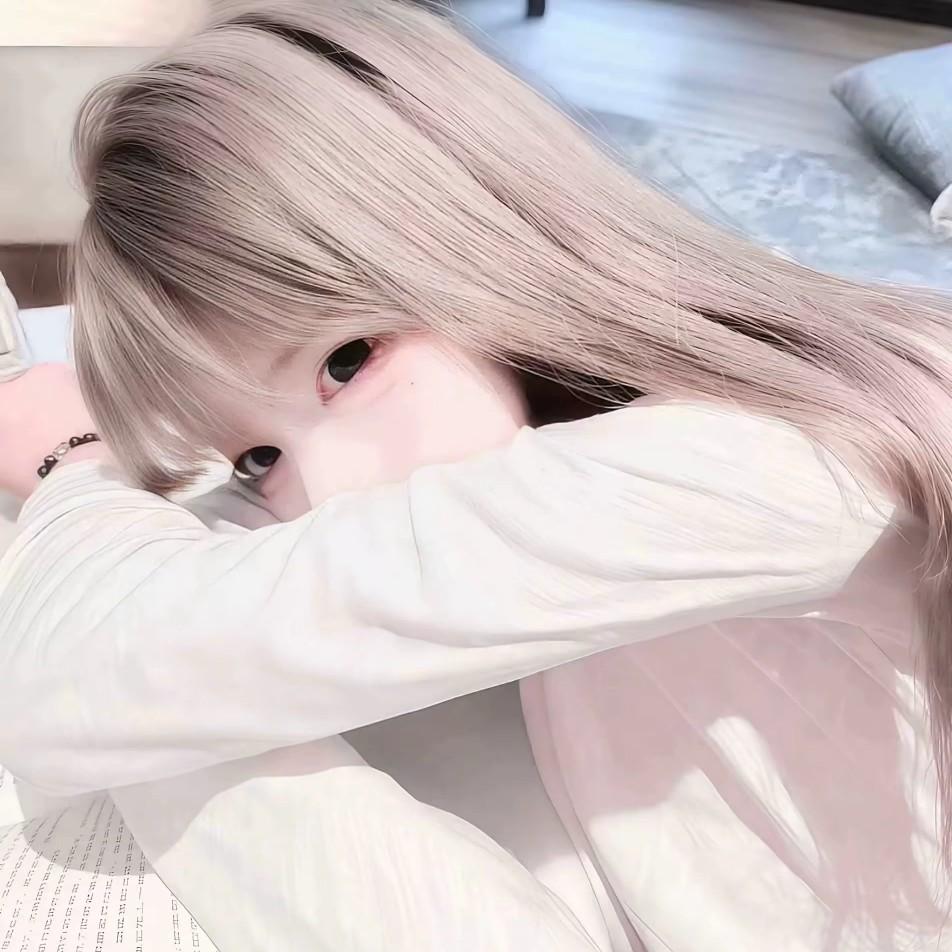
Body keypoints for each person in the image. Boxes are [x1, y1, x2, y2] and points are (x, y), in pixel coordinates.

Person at [2, 0, 952, 948]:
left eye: (347, 361)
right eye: (262, 458)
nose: (328, 496)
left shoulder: (760, 455)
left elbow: (82, 680)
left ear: (475, 235)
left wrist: (74, 466)